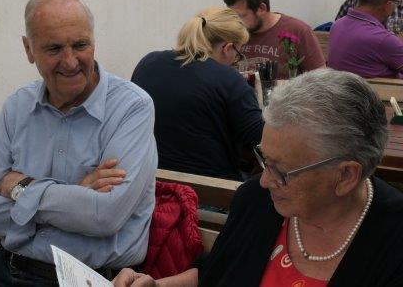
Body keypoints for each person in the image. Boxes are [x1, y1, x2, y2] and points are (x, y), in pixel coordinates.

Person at [113, 69, 403, 286]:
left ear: (346, 176)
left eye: (281, 171)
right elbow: (216, 272)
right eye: (264, 159)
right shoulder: (257, 201)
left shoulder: (393, 241)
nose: (264, 180)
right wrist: (158, 286)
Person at [0, 0, 157, 286]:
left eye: (80, 45)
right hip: (6, 271)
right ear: (28, 49)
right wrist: (75, 193)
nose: (70, 62)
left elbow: (104, 216)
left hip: (88, 280)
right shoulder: (18, 106)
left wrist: (22, 188)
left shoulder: (131, 107)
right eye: (54, 49)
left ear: (93, 41)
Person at [131, 7, 263, 181]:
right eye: (238, 54)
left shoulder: (148, 63)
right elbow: (260, 137)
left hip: (149, 179)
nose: (235, 61)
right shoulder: (228, 79)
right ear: (227, 48)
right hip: (210, 187)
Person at [223, 0, 325, 78]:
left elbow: (321, 80)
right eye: (232, 15)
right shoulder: (231, 32)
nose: (235, 22)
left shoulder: (298, 31)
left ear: (261, 8)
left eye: (240, 16)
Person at [329, 0, 403, 78]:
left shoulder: (337, 25)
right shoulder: (383, 39)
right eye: (396, 3)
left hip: (342, 86)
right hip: (380, 89)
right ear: (388, 4)